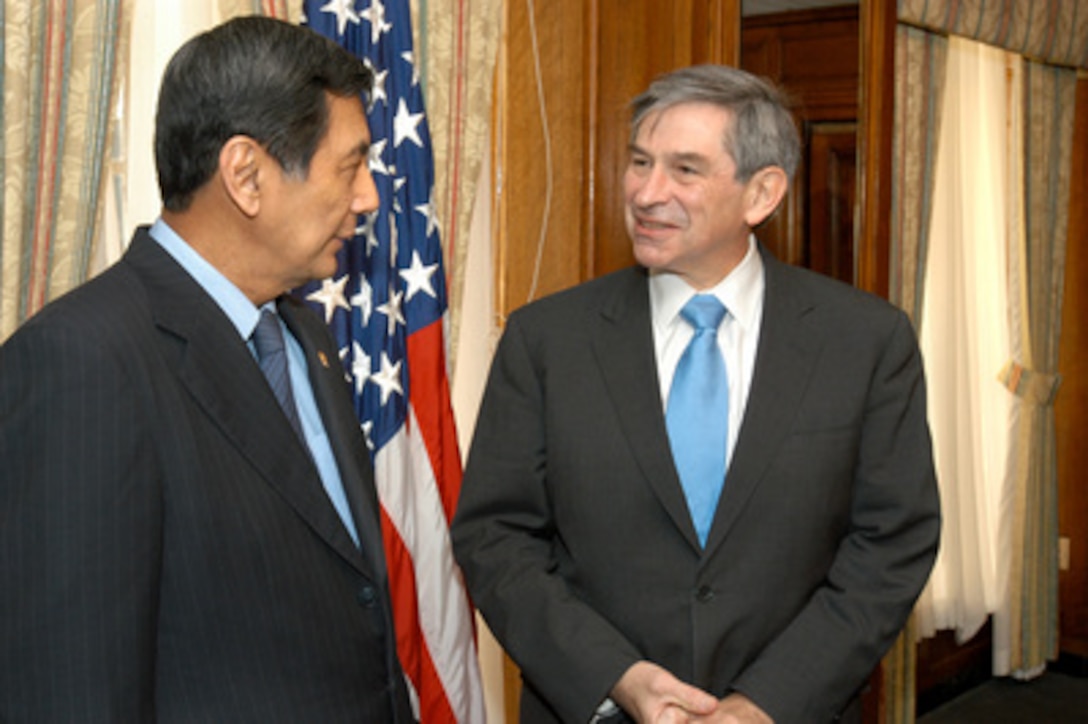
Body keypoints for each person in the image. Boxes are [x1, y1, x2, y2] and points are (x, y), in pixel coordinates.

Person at [452, 65, 940, 724]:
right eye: (639, 162)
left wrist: (768, 701)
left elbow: (891, 544)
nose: (647, 193)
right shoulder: (547, 340)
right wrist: (616, 677)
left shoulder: (866, 342)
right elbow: (496, 537)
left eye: (685, 170)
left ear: (762, 193)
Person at [0, 16, 414, 722]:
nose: (369, 197)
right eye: (350, 166)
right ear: (246, 176)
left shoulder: (304, 336)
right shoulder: (84, 361)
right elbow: (70, 686)